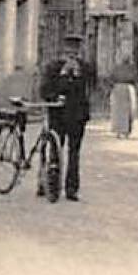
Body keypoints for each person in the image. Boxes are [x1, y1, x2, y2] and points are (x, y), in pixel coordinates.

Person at [41, 36, 92, 201]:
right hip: (58, 115)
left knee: (74, 153)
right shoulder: (53, 67)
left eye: (75, 52)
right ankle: (51, 186)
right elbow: (45, 91)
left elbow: (90, 87)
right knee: (55, 151)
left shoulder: (85, 68)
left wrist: (78, 75)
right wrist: (62, 77)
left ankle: (72, 189)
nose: (72, 56)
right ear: (62, 52)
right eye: (69, 52)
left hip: (77, 116)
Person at [109, 57, 138, 139]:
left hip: (120, 89)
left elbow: (111, 79)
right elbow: (135, 79)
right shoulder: (131, 68)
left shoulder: (117, 68)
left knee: (121, 111)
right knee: (125, 111)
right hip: (125, 89)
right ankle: (123, 131)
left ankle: (121, 131)